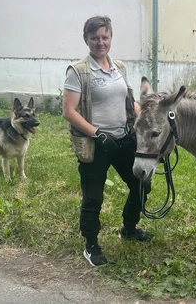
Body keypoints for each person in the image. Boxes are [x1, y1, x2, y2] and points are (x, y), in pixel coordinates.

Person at [62, 15, 152, 267]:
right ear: (86, 40)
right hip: (97, 144)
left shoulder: (118, 67)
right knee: (94, 196)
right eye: (95, 38)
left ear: (110, 38)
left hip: (124, 139)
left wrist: (143, 117)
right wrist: (97, 133)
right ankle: (91, 244)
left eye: (105, 37)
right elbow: (69, 111)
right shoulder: (78, 71)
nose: (100, 42)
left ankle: (129, 229)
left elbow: (128, 100)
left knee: (141, 185)